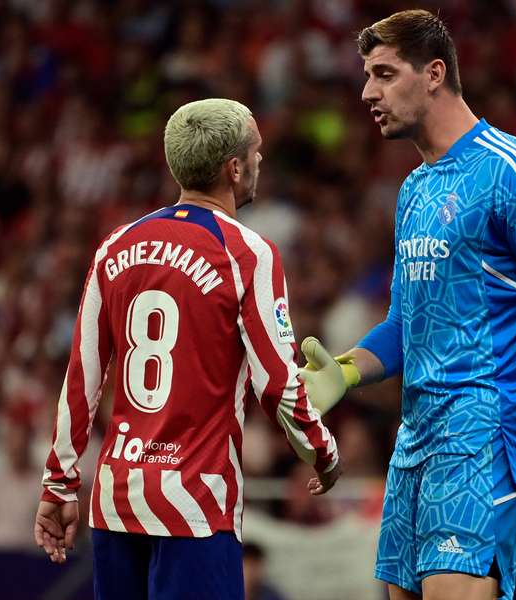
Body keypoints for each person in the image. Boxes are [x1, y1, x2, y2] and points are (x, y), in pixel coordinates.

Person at [298, 10, 516, 600]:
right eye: (367, 75)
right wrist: (345, 371)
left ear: (434, 73)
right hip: (416, 435)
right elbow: (404, 326)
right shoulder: (414, 188)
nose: (368, 92)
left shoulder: (511, 170)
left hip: (486, 427)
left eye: (384, 74)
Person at [34, 98, 340, 600]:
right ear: (234, 167)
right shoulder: (247, 253)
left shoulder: (115, 246)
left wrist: (59, 486)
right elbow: (278, 384)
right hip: (196, 505)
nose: (261, 161)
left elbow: (82, 377)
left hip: (116, 504)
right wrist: (323, 452)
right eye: (257, 151)